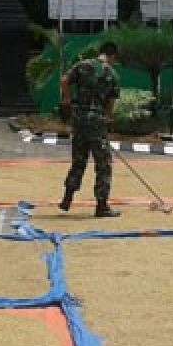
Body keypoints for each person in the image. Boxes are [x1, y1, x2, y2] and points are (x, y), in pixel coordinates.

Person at [59, 41, 122, 217]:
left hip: (79, 119)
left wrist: (68, 100)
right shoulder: (112, 74)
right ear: (112, 56)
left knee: (79, 161)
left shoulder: (82, 65)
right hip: (97, 121)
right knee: (103, 165)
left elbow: (64, 80)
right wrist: (107, 120)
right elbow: (110, 104)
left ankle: (67, 198)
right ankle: (101, 206)